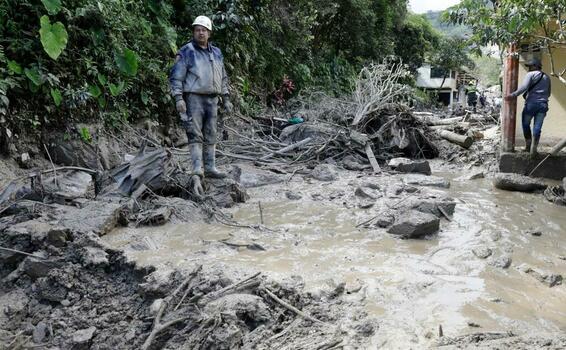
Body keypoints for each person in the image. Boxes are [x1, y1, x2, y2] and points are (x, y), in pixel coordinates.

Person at [169, 15, 233, 179]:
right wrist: (178, 98)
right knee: (195, 133)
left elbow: (222, 77)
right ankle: (197, 168)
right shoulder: (186, 51)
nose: (200, 33)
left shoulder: (217, 53)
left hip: (212, 99)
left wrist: (226, 98)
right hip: (194, 98)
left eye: (203, 30)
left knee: (211, 133)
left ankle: (210, 168)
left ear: (209, 33)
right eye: (197, 30)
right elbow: (176, 77)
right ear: (194, 32)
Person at [505, 58, 551, 156]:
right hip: (543, 105)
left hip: (531, 104)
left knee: (526, 124)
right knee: (537, 128)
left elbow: (524, 87)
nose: (529, 68)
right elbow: (549, 93)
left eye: (530, 66)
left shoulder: (530, 74)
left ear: (535, 66)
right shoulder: (547, 77)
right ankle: (533, 150)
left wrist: (512, 95)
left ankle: (528, 146)